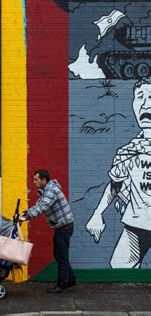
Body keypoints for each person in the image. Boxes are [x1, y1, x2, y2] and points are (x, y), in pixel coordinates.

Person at [86, 77, 151, 268]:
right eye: (140, 97)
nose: (146, 104)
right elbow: (116, 184)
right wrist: (98, 214)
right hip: (137, 223)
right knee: (120, 265)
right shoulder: (129, 151)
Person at [19, 169, 76, 293]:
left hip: (64, 227)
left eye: (36, 179)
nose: (33, 182)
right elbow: (38, 205)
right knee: (59, 254)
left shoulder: (51, 190)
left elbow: (42, 206)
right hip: (61, 227)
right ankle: (70, 279)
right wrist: (25, 213)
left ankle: (62, 284)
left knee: (61, 256)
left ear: (44, 180)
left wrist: (27, 217)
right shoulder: (46, 190)